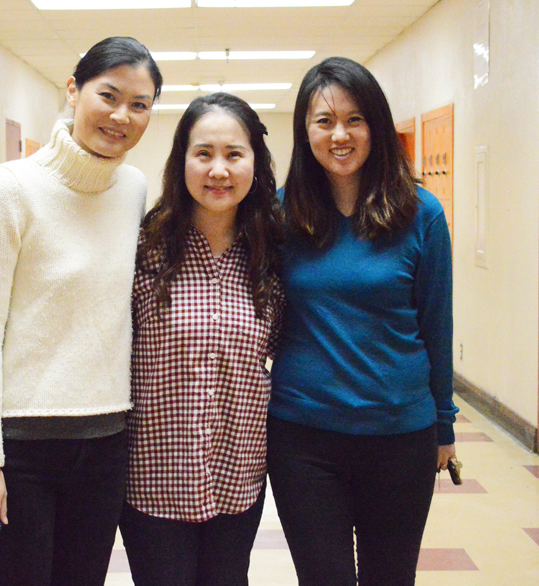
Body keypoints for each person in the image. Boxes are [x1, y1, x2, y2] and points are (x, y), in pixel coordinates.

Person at [0, 36, 163, 586]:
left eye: (140, 105)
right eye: (109, 95)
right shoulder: (11, 188)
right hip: (21, 446)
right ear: (73, 91)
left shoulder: (135, 190)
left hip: (105, 443)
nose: (122, 116)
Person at [266, 56, 459, 586]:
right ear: (305, 131)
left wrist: (444, 424)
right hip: (303, 437)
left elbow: (436, 326)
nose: (340, 135)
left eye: (355, 119)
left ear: (376, 123)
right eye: (324, 121)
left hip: (399, 437)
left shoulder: (422, 214)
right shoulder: (281, 215)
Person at [119, 92, 285, 586]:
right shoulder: (143, 247)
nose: (219, 170)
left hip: (239, 472)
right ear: (181, 161)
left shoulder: (273, 252)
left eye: (234, 154)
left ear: (255, 160)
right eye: (203, 153)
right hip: (154, 477)